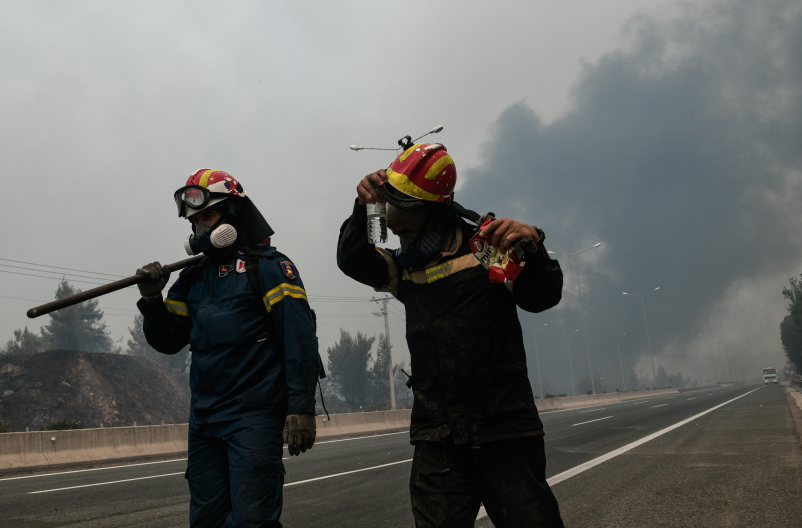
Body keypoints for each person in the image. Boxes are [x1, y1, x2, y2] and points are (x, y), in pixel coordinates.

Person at [336, 143, 566, 528]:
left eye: (406, 221)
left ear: (436, 210)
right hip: (438, 436)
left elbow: (542, 296)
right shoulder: (406, 269)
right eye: (391, 218)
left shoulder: (487, 249)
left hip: (503, 430)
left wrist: (533, 249)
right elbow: (353, 259)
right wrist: (362, 209)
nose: (397, 229)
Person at [136, 168, 321, 528]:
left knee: (253, 521)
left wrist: (301, 408)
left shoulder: (269, 268)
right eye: (195, 221)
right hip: (204, 421)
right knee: (206, 521)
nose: (201, 228)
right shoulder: (191, 277)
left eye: (208, 216)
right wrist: (152, 299)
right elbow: (169, 341)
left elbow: (299, 340)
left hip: (253, 419)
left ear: (233, 214)